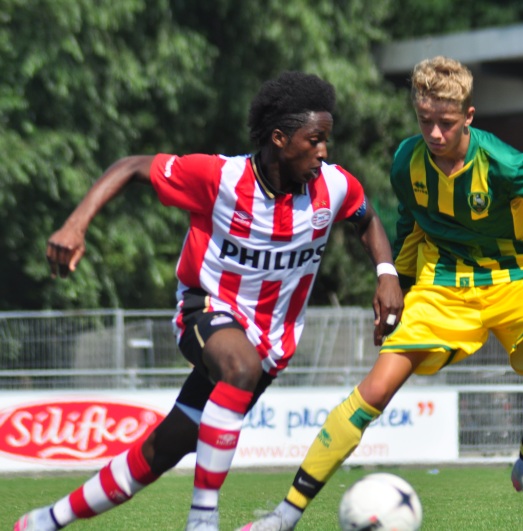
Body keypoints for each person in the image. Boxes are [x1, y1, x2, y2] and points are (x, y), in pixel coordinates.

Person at [14, 72, 403, 531]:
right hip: (205, 311)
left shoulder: (333, 186)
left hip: (271, 344)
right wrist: (76, 224)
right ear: (279, 139)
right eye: (314, 140)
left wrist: (386, 273)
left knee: (165, 447)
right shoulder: (219, 177)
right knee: (239, 367)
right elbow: (131, 166)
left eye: (326, 141)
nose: (323, 151)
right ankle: (202, 521)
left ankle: (43, 521)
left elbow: (366, 218)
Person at [238, 56, 523, 531]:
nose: (435, 133)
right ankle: (285, 514)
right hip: (442, 286)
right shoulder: (406, 160)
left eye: (446, 123)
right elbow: (409, 223)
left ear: (468, 116)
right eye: (425, 121)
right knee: (373, 391)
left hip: (515, 280)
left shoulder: (503, 163)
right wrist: (394, 286)